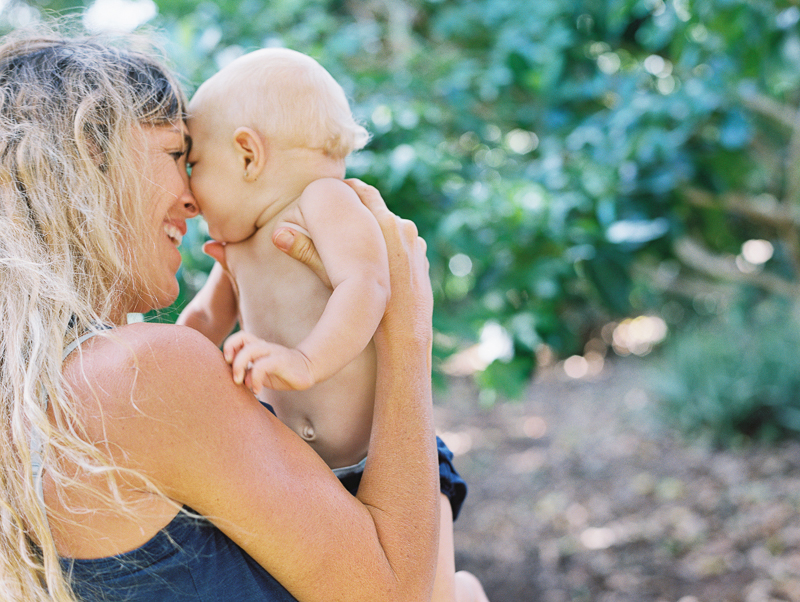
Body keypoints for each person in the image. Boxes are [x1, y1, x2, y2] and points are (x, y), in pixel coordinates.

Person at [0, 29, 442, 602]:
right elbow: (399, 593)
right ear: (90, 163)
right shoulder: (141, 375)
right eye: (175, 155)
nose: (192, 196)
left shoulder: (34, 395)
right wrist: (407, 331)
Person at [178, 48, 489, 601]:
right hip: (308, 476)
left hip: (390, 462)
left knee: (430, 594)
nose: (187, 191)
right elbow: (205, 319)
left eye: (194, 164)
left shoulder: (326, 202)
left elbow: (367, 288)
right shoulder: (238, 248)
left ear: (248, 154)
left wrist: (304, 360)